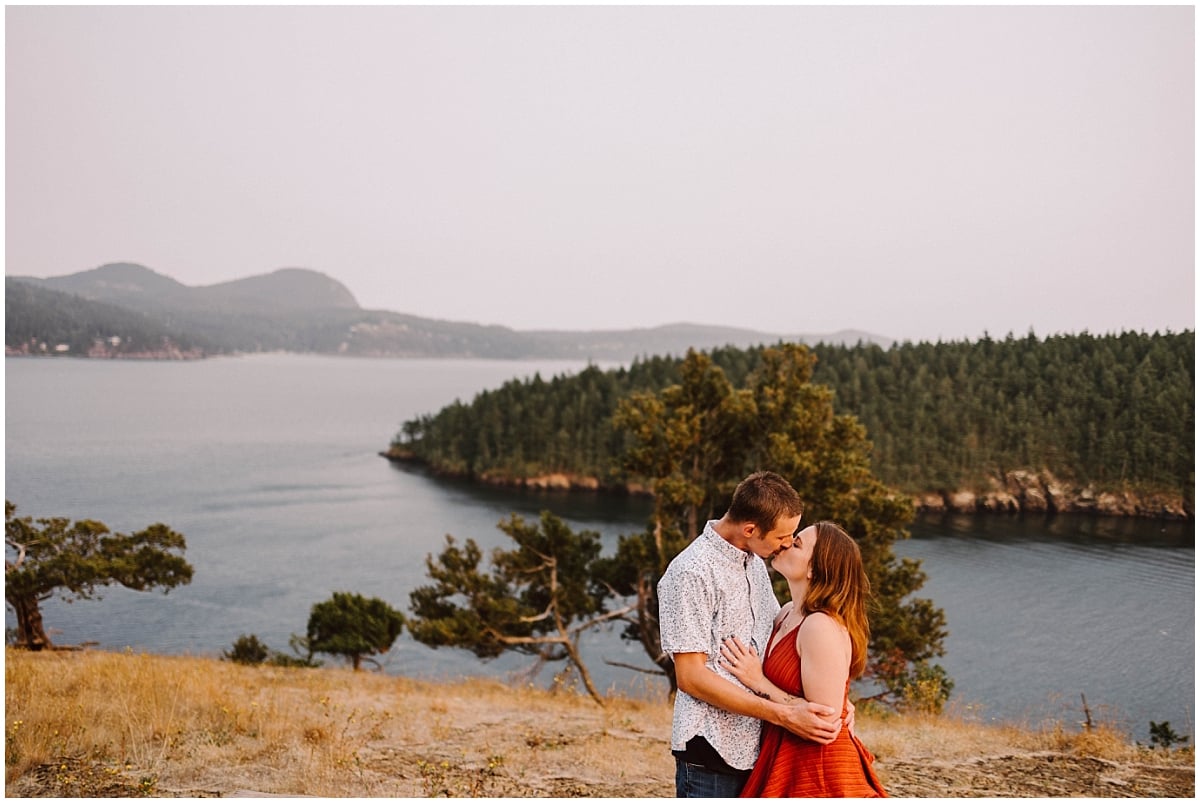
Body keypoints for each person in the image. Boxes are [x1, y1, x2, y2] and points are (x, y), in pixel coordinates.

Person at [658, 471, 844, 798]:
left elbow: (781, 635)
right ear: (750, 529)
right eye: (782, 536)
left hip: (761, 751)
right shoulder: (691, 572)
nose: (787, 543)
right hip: (713, 751)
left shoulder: (754, 560)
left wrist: (837, 699)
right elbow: (691, 677)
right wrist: (784, 714)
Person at [720, 520, 887, 797]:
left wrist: (758, 681)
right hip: (786, 756)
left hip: (818, 770)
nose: (785, 543)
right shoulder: (787, 612)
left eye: (796, 544)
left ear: (814, 569)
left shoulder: (820, 625)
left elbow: (824, 718)